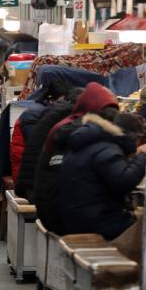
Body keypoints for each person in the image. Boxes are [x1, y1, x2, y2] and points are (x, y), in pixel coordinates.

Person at [32, 83, 121, 232]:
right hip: (61, 215)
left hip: (48, 207)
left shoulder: (66, 125)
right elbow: (118, 178)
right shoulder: (84, 131)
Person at [57, 111, 146, 240]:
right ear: (133, 137)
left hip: (77, 217)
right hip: (97, 223)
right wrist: (144, 157)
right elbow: (124, 181)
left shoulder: (93, 144)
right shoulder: (108, 149)